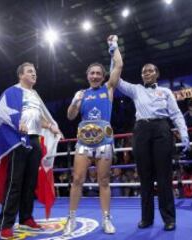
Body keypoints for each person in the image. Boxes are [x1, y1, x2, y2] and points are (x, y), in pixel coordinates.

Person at [0, 62, 62, 239]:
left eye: (35, 72)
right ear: (20, 75)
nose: (34, 74)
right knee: (15, 183)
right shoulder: (12, 92)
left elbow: (37, 119)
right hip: (18, 140)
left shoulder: (36, 95)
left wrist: (50, 126)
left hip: (35, 139)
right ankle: (5, 224)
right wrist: (17, 122)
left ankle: (26, 217)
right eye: (30, 72)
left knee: (30, 182)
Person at [116, 63, 189, 231]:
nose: (147, 73)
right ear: (141, 75)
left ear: (157, 73)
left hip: (162, 128)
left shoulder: (166, 92)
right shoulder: (136, 89)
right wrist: (114, 55)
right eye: (143, 71)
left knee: (164, 177)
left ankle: (169, 219)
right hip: (141, 130)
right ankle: (146, 218)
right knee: (145, 177)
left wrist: (184, 133)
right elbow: (117, 80)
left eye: (150, 70)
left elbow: (176, 114)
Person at [63, 35, 123, 235]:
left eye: (98, 73)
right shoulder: (81, 93)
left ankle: (106, 219)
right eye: (92, 73)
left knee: (104, 181)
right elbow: (70, 116)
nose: (95, 76)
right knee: (77, 179)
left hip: (104, 141)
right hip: (83, 142)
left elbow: (119, 65)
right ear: (87, 75)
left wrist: (113, 46)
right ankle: (71, 219)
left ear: (103, 75)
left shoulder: (109, 89)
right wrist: (74, 102)